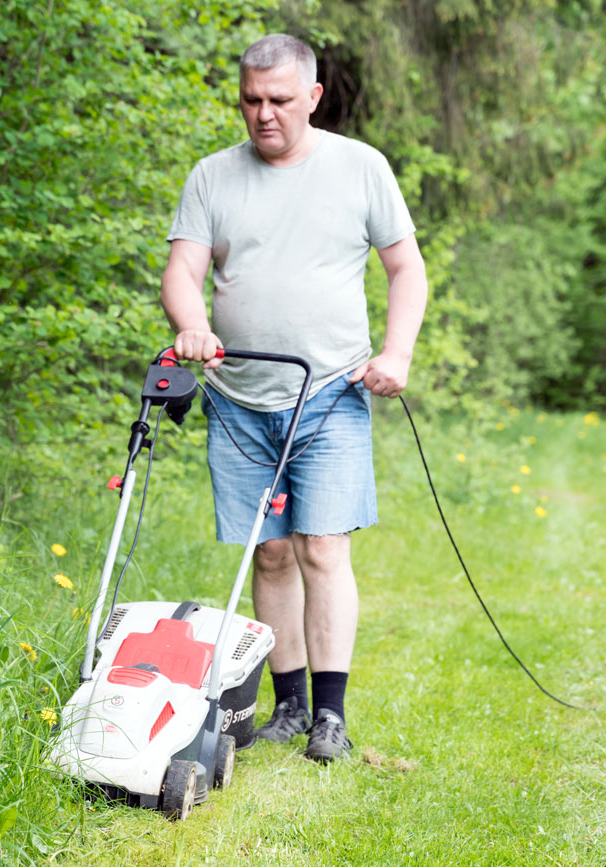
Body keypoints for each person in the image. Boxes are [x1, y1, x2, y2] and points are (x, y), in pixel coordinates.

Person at [160, 33, 428, 762]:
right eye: (251, 100)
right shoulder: (213, 176)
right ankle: (288, 706)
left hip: (333, 392)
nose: (263, 114)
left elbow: (406, 269)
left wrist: (395, 353)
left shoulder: (360, 167)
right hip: (239, 397)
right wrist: (192, 325)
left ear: (312, 97)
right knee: (270, 555)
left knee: (321, 547)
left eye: (279, 100)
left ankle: (331, 718)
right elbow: (183, 270)